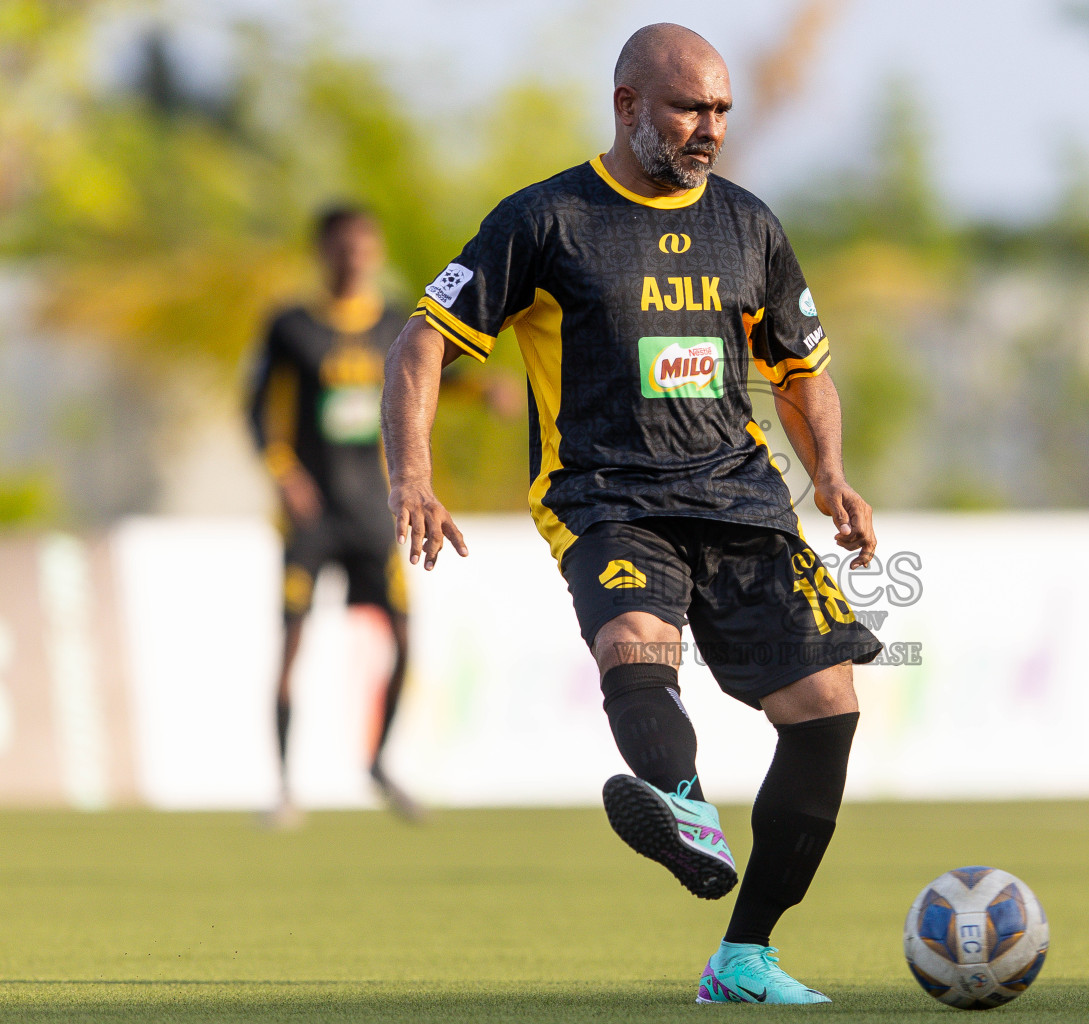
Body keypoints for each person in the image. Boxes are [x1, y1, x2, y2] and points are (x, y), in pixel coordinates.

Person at [381, 23, 881, 1006]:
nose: (711, 128)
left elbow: (801, 367)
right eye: (690, 109)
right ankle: (684, 806)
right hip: (606, 496)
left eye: (722, 110)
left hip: (740, 498)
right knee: (634, 644)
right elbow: (423, 339)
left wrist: (830, 473)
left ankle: (744, 957)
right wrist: (413, 476)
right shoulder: (546, 219)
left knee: (828, 709)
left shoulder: (749, 224)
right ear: (627, 106)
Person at [248, 207, 423, 827]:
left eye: (363, 245)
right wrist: (284, 472)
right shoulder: (292, 326)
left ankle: (378, 763)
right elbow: (255, 408)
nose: (354, 256)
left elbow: (422, 382)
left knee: (404, 641)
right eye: (343, 245)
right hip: (311, 516)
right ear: (323, 251)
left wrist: (481, 391)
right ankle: (283, 788)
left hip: (372, 510)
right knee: (292, 642)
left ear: (376, 251)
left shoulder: (395, 323)